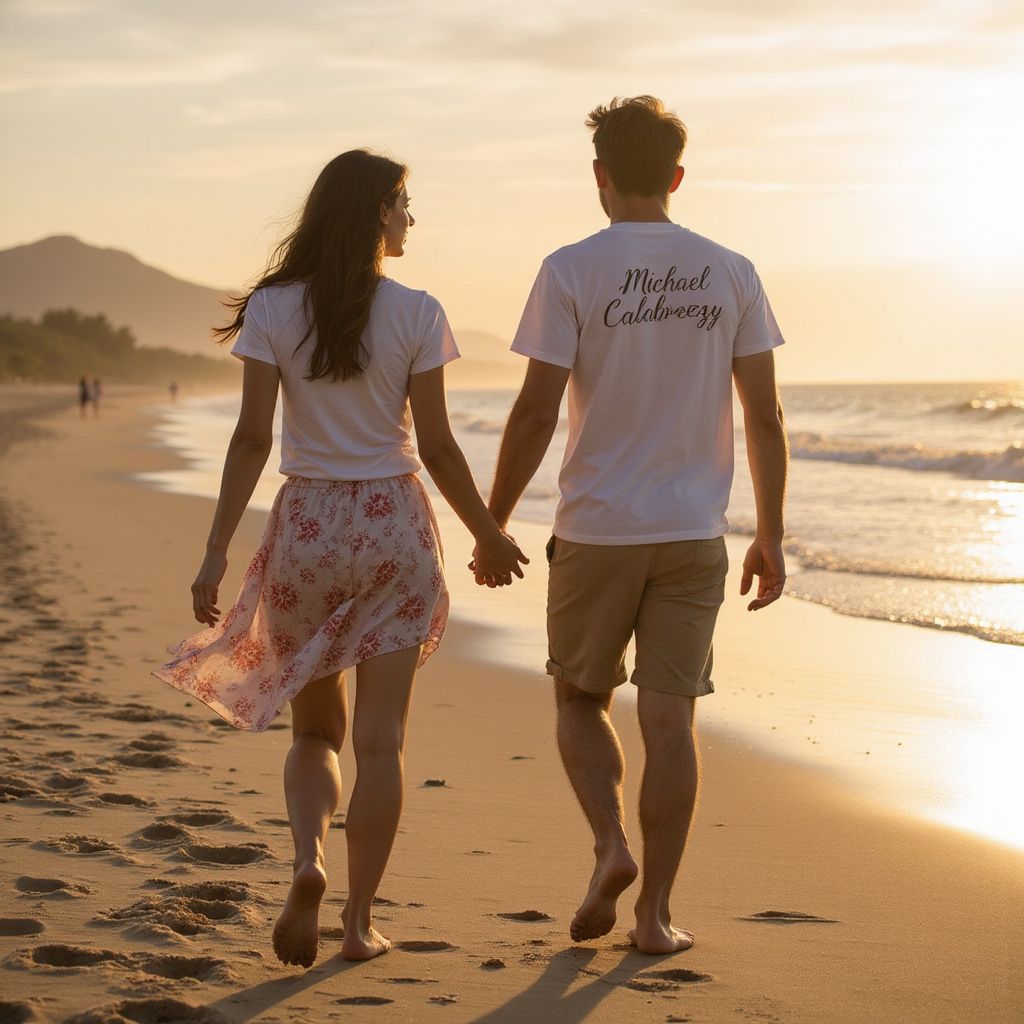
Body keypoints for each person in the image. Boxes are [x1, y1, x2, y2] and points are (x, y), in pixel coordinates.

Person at [156, 149, 526, 968]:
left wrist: (216, 551)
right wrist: (486, 533)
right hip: (393, 524)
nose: (410, 218)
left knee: (315, 732)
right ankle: (358, 921)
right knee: (383, 743)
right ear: (374, 212)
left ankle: (307, 863)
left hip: (309, 529)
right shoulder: (421, 312)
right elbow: (436, 444)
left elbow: (254, 437)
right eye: (403, 203)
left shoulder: (274, 309)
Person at [480, 96, 789, 955]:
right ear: (678, 177)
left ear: (600, 176)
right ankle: (653, 918)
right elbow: (763, 417)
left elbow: (537, 412)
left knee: (580, 698)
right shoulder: (732, 269)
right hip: (694, 532)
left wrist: (492, 521)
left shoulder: (571, 268)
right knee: (671, 723)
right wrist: (771, 533)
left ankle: (610, 845)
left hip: (598, 527)